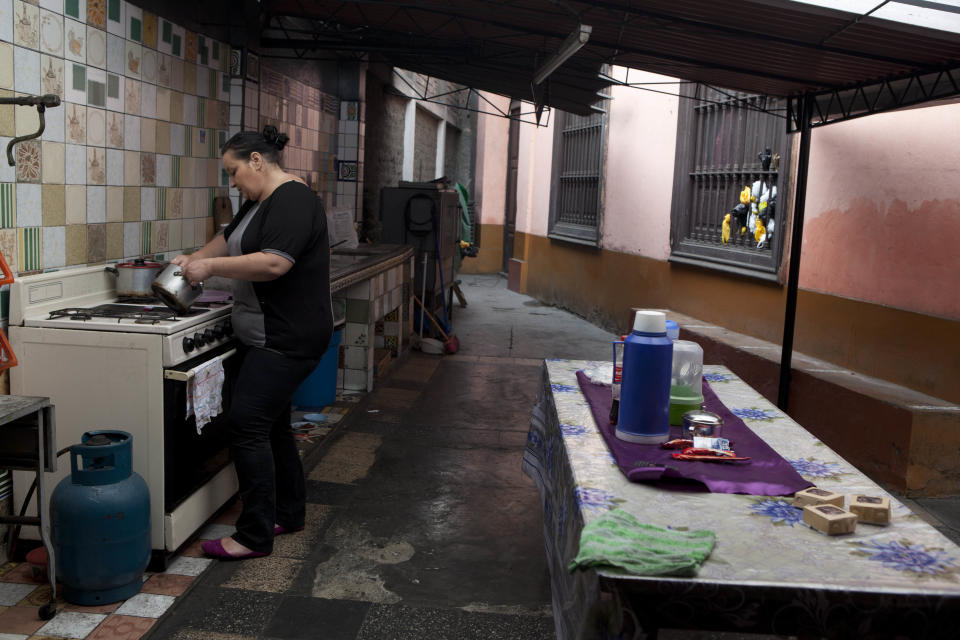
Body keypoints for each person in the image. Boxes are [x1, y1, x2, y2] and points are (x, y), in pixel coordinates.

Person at [172, 125, 333, 559]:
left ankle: (253, 535)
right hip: (265, 334)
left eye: (234, 171)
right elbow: (227, 238)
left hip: (286, 336)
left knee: (247, 426)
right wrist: (195, 259)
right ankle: (288, 512)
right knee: (274, 425)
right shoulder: (257, 201)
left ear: (257, 161)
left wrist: (211, 270)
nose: (233, 181)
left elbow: (275, 264)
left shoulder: (294, 200)